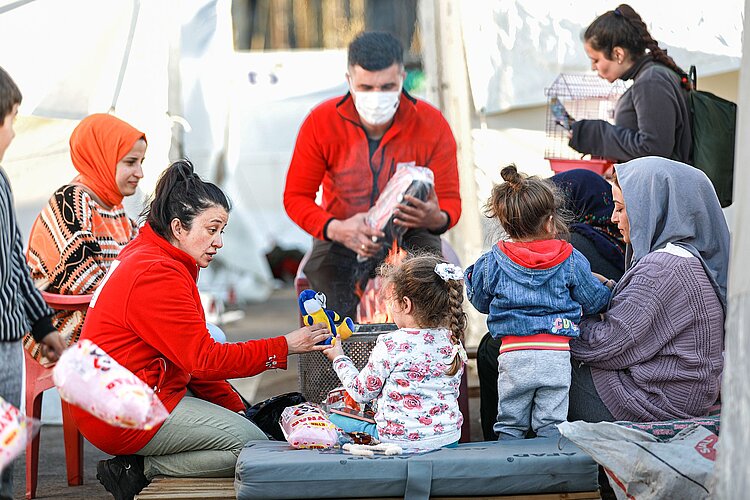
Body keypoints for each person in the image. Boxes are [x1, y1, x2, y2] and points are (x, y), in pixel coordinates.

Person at [70, 160, 331, 500]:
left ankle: (147, 457)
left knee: (245, 426)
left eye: (222, 230)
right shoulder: (157, 273)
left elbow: (190, 358)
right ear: (178, 227)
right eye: (212, 229)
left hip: (129, 390)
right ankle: (138, 468)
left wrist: (236, 407)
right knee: (251, 446)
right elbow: (203, 360)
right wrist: (284, 346)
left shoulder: (158, 255)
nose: (219, 242)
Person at [284, 31, 462, 319]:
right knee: (325, 298)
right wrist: (334, 228)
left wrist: (435, 217)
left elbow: (452, 202)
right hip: (341, 233)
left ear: (403, 77)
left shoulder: (431, 123)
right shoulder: (321, 122)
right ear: (349, 80)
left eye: (388, 86)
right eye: (366, 87)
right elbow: (295, 198)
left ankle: (428, 358)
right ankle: (336, 359)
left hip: (412, 233)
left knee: (431, 291)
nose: (377, 97)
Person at [568, 156, 727, 424]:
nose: (613, 217)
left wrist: (558, 323)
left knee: (537, 365)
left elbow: (607, 344)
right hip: (682, 396)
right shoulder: (685, 258)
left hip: (654, 404)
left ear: (650, 208)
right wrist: (610, 288)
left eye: (621, 208)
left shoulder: (661, 268)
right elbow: (646, 318)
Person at [475, 167, 626, 440]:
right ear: (549, 222)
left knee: (509, 422)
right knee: (551, 424)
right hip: (555, 356)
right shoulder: (570, 256)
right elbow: (592, 302)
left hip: (512, 354)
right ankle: (554, 473)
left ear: (505, 223)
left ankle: (508, 472)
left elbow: (479, 300)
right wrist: (608, 289)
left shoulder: (492, 261)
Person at [24, 113, 146, 363]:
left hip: (106, 318)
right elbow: (81, 280)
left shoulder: (116, 211)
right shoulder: (71, 201)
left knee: (192, 342)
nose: (140, 172)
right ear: (102, 158)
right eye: (131, 162)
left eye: (142, 161)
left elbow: (143, 264)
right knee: (175, 346)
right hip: (60, 328)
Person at [323, 254, 467, 451]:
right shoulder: (453, 339)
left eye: (391, 301)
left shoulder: (391, 343)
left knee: (333, 419)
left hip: (400, 442)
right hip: (448, 440)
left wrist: (339, 358)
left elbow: (360, 392)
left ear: (406, 304)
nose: (389, 306)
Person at [0, 66, 65, 500]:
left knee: (3, 452)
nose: (14, 133)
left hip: (7, 343)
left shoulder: (2, 182)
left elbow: (16, 265)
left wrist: (43, 327)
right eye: (11, 121)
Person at [568, 4, 692, 163]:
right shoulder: (651, 76)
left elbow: (653, 149)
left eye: (595, 60)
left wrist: (594, 133)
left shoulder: (651, 81)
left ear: (618, 53)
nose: (593, 67)